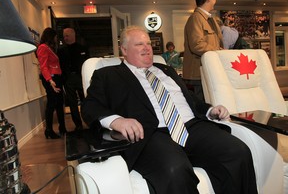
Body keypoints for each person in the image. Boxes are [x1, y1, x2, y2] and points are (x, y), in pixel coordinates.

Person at [81, 25, 257, 194]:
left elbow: (190, 100)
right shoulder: (108, 75)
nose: (147, 48)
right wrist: (116, 121)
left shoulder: (167, 70)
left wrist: (210, 110)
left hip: (192, 126)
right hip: (152, 133)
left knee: (238, 152)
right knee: (175, 170)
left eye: (148, 43)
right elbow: (90, 106)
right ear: (124, 50)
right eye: (139, 44)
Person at [182, 0, 223, 101]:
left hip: (206, 71)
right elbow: (196, 45)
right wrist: (218, 51)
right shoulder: (196, 18)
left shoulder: (209, 19)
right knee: (203, 109)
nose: (215, 0)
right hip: (197, 75)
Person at [37, 27, 66, 139]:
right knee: (52, 104)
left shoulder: (49, 48)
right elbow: (43, 66)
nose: (55, 39)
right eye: (54, 37)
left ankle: (62, 128)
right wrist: (50, 80)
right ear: (50, 36)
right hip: (51, 79)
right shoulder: (43, 48)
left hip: (55, 78)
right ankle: (49, 130)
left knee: (59, 103)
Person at [58, 28, 89, 131]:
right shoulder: (61, 51)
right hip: (68, 79)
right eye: (64, 36)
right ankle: (78, 125)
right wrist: (64, 79)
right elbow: (60, 66)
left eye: (67, 35)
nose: (65, 38)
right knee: (72, 103)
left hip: (81, 78)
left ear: (73, 35)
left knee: (85, 101)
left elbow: (87, 63)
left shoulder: (83, 48)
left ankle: (89, 121)